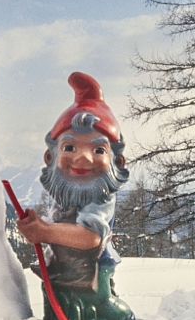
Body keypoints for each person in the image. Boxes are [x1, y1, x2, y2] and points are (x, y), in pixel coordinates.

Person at [17, 72, 135, 320]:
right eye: (69, 147)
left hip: (89, 281)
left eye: (98, 149)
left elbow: (89, 236)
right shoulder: (66, 192)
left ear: (117, 162)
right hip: (62, 278)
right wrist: (38, 226)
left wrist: (45, 232)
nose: (83, 158)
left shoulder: (98, 196)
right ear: (50, 158)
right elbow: (62, 226)